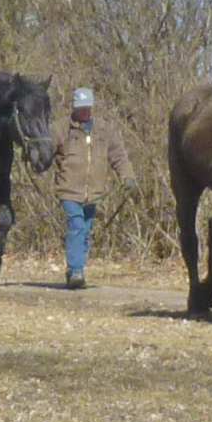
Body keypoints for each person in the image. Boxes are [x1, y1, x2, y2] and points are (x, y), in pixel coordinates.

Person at [53, 87, 136, 289]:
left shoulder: (105, 130)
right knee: (77, 226)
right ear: (74, 108)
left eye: (87, 108)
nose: (84, 112)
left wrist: (127, 176)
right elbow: (46, 151)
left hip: (94, 192)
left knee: (86, 231)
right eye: (80, 108)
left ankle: (74, 269)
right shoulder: (61, 128)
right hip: (69, 189)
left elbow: (118, 155)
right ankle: (77, 270)